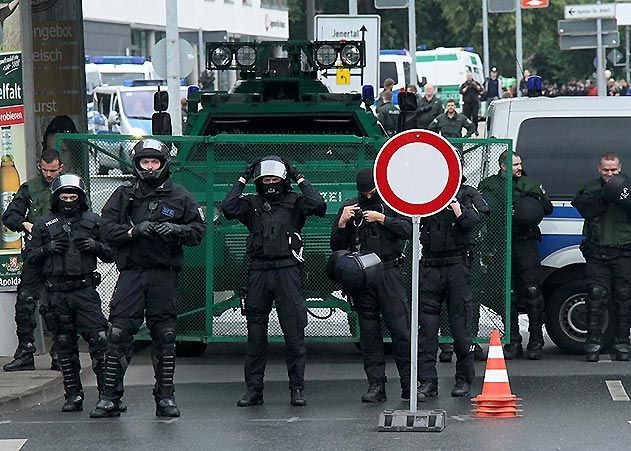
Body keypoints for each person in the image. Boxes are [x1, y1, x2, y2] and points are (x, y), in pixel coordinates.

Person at [90, 139, 207, 418]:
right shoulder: (123, 195)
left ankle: (165, 397)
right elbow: (105, 230)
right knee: (118, 334)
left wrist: (175, 229)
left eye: (155, 162)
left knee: (165, 336)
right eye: (145, 162)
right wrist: (133, 232)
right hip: (131, 273)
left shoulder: (180, 195)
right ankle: (109, 397)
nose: (150, 167)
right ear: (137, 164)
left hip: (163, 275)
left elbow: (199, 230)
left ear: (164, 163)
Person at [221, 155, 326, 407]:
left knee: (294, 334)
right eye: (265, 178)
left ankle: (297, 389)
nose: (270, 183)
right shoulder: (251, 203)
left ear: (283, 180)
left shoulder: (296, 202)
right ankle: (254, 390)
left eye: (275, 178)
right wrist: (242, 177)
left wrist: (299, 176)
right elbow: (227, 207)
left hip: (287, 271)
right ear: (259, 181)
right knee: (256, 336)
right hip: (258, 271)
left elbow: (319, 204)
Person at [28, 174, 112, 412]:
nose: (68, 201)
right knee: (64, 345)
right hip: (56, 293)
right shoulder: (44, 224)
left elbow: (112, 252)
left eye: (72, 196)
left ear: (80, 198)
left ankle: (108, 395)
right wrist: (47, 249)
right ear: (56, 198)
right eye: (64, 196)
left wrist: (96, 246)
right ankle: (73, 395)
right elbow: (30, 258)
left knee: (100, 341)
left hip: (85, 290)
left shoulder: (93, 221)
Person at [330, 169, 413, 402]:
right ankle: (376, 385)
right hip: (363, 274)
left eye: (371, 191)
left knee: (400, 330)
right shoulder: (351, 206)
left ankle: (409, 384)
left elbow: (409, 230)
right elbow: (336, 245)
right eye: (363, 192)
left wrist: (382, 219)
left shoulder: (391, 203)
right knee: (369, 334)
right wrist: (342, 223)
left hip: (388, 270)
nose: (367, 196)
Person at [478, 151, 552, 360]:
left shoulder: (530, 184)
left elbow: (547, 208)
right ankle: (512, 340)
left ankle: (536, 340)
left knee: (531, 290)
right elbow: (484, 212)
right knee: (506, 293)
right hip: (500, 243)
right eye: (514, 165)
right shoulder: (490, 185)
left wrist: (532, 200)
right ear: (502, 166)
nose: (519, 168)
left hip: (525, 242)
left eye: (520, 163)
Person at [417, 182, 482, 399]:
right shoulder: (426, 192)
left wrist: (455, 206)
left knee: (461, 326)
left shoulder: (466, 193)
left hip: (456, 265)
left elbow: (474, 221)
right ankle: (427, 382)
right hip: (430, 265)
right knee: (427, 329)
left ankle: (463, 380)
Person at [2, 149, 63, 372]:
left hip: (60, 253)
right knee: (25, 303)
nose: (48, 175)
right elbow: (9, 215)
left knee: (56, 306)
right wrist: (25, 224)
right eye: (45, 170)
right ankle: (26, 352)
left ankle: (60, 353)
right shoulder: (30, 188)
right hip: (36, 253)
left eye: (53, 170)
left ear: (61, 168)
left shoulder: (68, 187)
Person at [572, 152, 631, 362]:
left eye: (613, 170)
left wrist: (623, 197)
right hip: (597, 252)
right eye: (606, 170)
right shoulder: (591, 188)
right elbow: (581, 206)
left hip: (624, 251)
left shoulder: (628, 187)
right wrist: (606, 196)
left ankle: (623, 343)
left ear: (620, 168)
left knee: (624, 298)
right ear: (599, 169)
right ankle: (593, 343)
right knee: (596, 296)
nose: (609, 173)